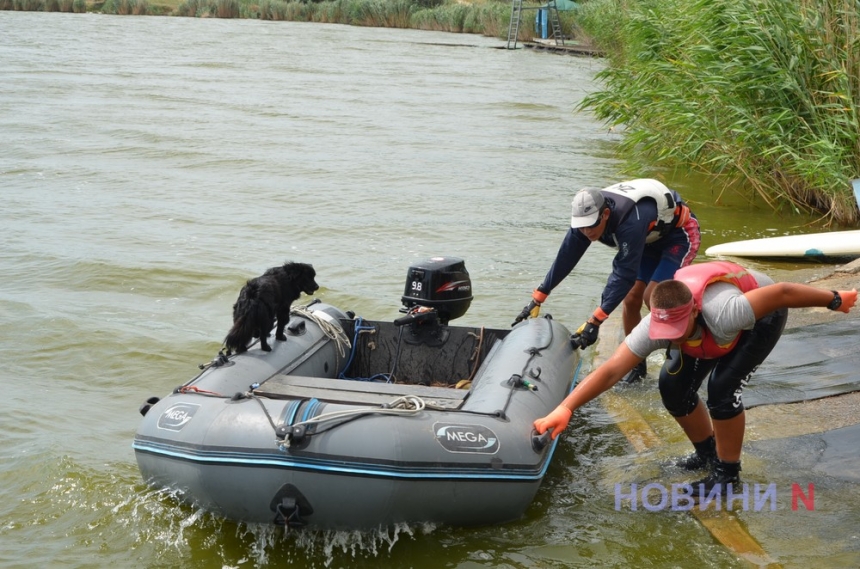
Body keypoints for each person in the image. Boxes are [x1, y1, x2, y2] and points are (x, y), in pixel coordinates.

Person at [533, 260, 857, 494]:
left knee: (722, 390)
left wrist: (835, 299)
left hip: (761, 318)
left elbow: (783, 292)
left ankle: (728, 475)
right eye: (666, 332)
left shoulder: (728, 311)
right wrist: (566, 408)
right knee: (672, 386)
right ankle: (707, 456)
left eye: (677, 331)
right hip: (708, 326)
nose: (671, 338)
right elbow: (611, 369)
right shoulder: (655, 327)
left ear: (694, 313)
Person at [513, 178, 701, 383]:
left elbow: (624, 275)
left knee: (654, 298)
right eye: (581, 227)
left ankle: (684, 357)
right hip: (648, 240)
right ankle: (638, 366)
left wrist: (595, 321)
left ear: (605, 214)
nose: (586, 232)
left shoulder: (630, 221)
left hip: (678, 237)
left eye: (591, 226)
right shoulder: (585, 220)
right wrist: (540, 295)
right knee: (631, 299)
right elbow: (566, 257)